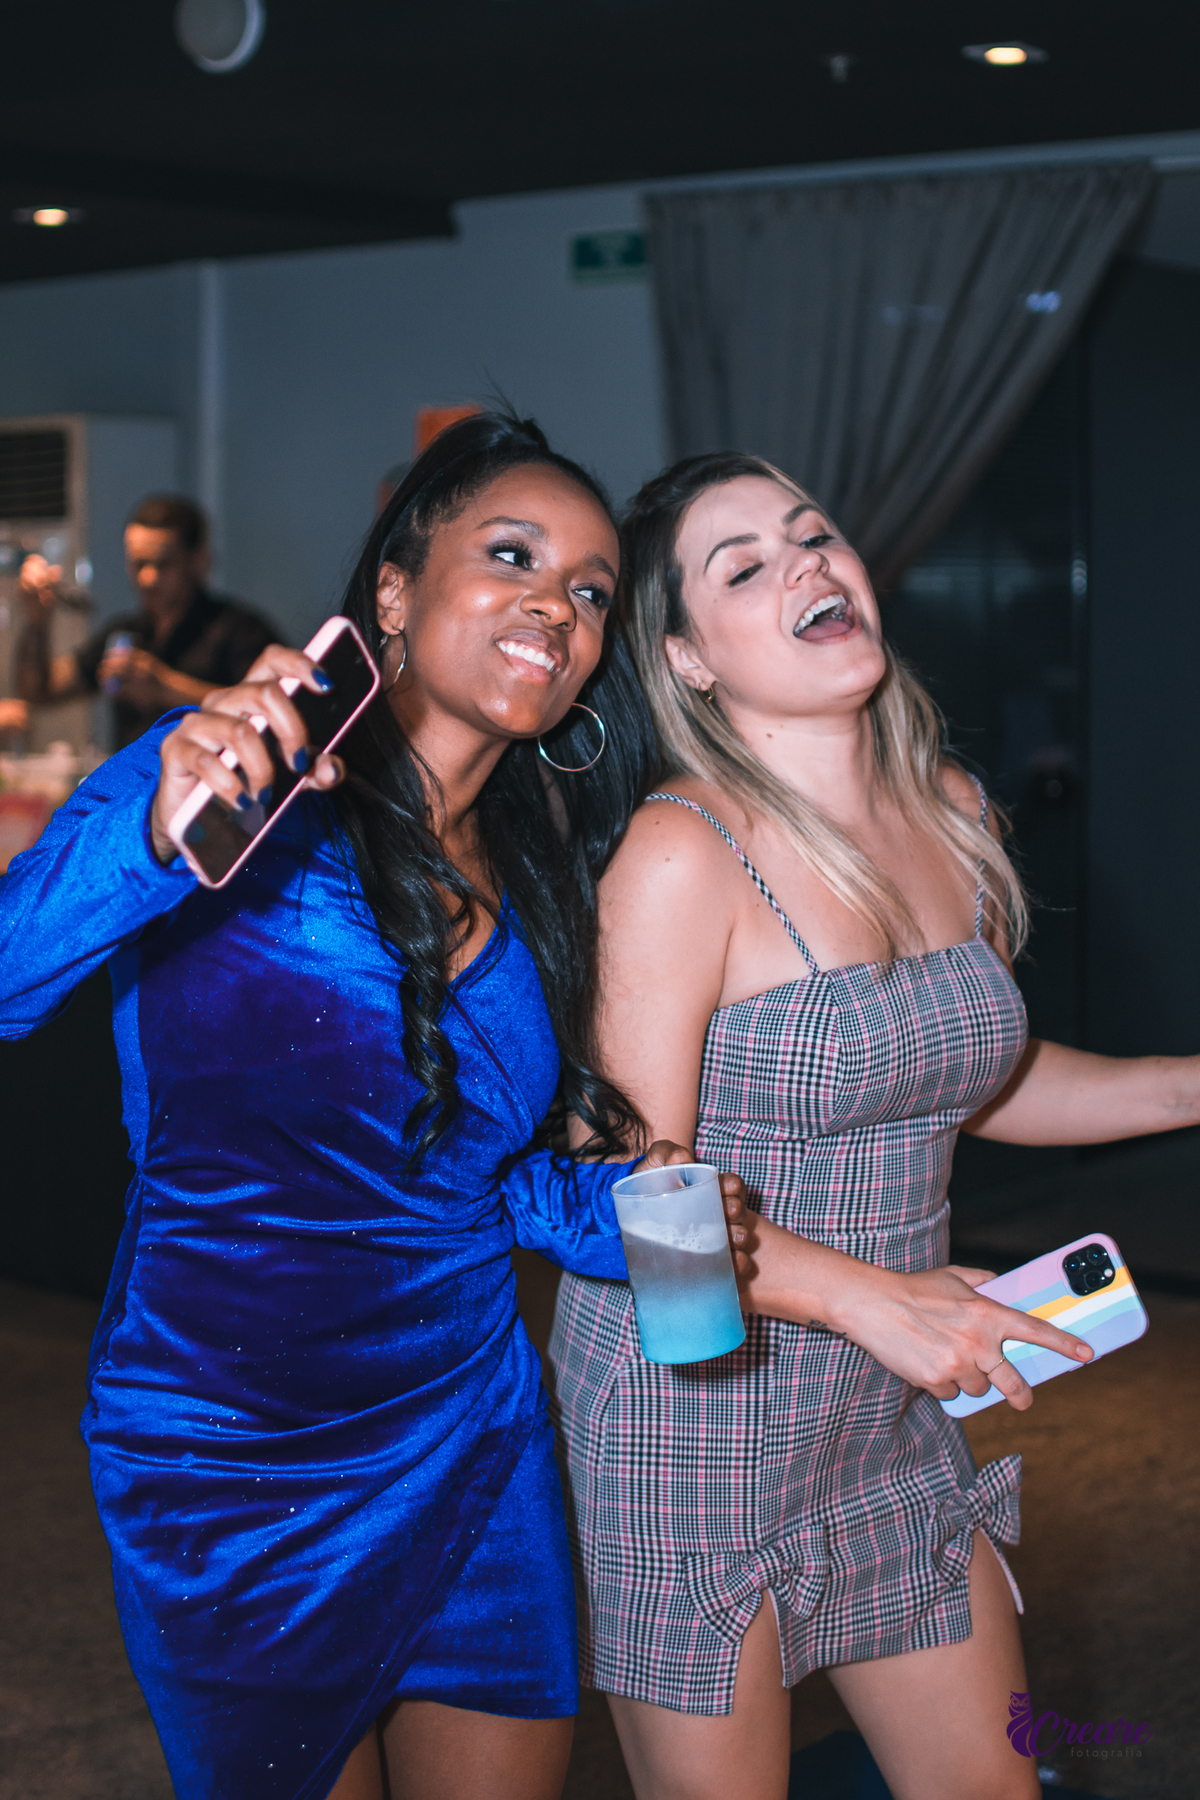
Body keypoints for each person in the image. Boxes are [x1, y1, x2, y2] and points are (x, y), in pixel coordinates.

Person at [0, 415, 749, 1800]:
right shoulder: (237, 782)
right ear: (393, 592)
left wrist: (669, 1228)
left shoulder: (544, 876)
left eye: (590, 591)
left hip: (473, 1441)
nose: (557, 606)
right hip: (232, 1466)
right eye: (512, 555)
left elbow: (485, 1177)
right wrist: (151, 832)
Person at [549, 453, 1200, 1800]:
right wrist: (866, 1298)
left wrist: (1188, 1085)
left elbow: (973, 1075)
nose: (805, 563)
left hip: (893, 1392)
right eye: (743, 565)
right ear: (685, 658)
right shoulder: (681, 856)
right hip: (694, 1406)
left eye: (812, 534)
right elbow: (632, 1198)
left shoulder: (952, 814)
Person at [16, 493, 280, 750]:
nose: (148, 578)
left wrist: (165, 688)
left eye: (163, 564)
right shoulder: (124, 632)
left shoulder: (240, 631)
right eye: (138, 564)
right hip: (135, 792)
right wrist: (37, 621)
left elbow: (273, 712)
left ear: (198, 560)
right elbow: (40, 691)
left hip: (211, 791)